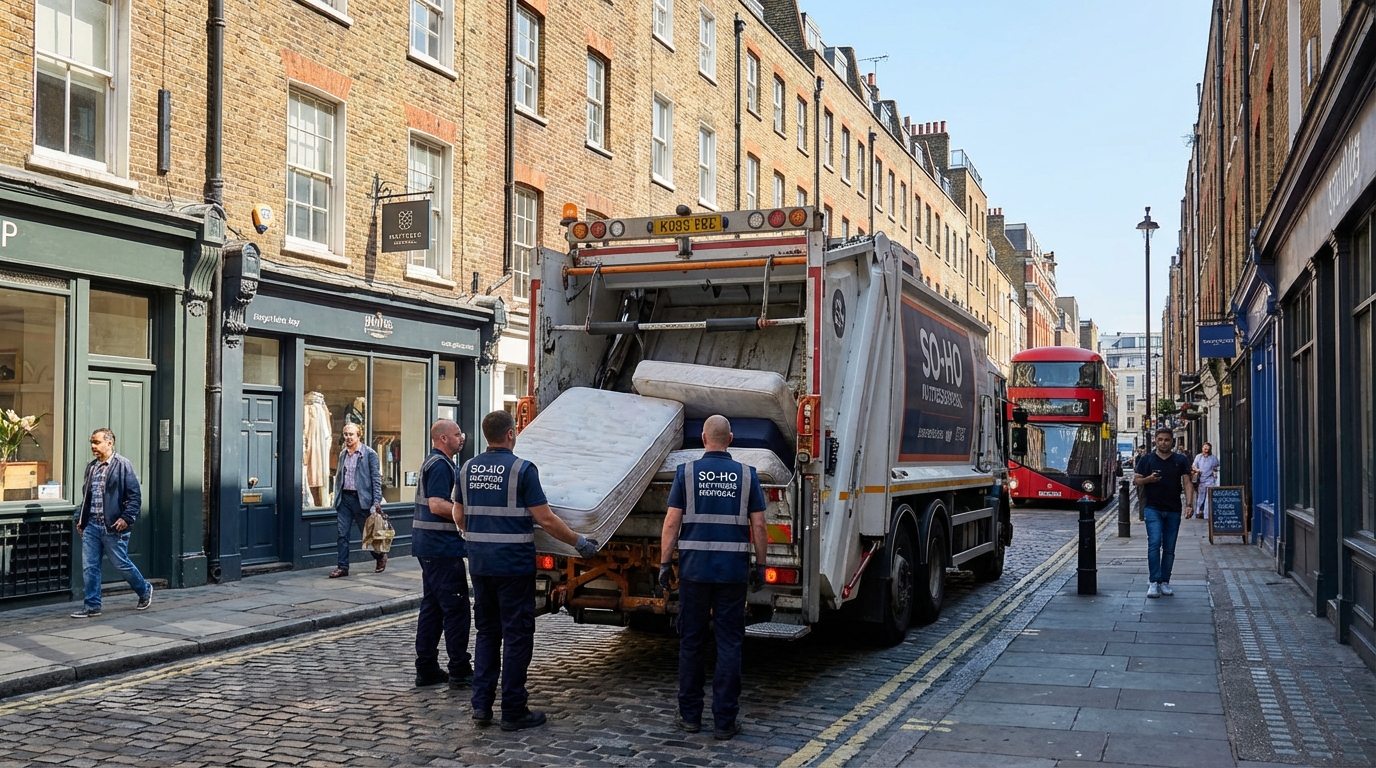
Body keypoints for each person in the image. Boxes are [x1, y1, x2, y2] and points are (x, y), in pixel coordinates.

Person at [454, 410, 599, 731]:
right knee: (517, 635)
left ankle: (481, 706)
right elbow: (546, 519)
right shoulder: (522, 470)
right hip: (513, 567)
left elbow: (458, 515)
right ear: (510, 434)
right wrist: (580, 542)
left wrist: (475, 537)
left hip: (480, 565)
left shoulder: (466, 469)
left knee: (488, 633)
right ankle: (513, 710)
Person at [658, 415, 768, 741]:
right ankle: (725, 721)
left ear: (704, 438)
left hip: (693, 572)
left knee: (691, 643)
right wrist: (761, 566)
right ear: (730, 438)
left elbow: (671, 524)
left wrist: (665, 564)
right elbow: (759, 526)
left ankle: (690, 716)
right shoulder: (747, 476)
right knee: (729, 644)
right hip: (732, 573)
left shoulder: (686, 474)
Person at [412, 419, 473, 689]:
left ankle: (426, 668)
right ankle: (459, 670)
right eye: (457, 434)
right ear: (443, 439)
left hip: (430, 546)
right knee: (456, 609)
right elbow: (436, 504)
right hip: (441, 547)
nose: (462, 437)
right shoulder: (439, 465)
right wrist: (465, 517)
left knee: (433, 608)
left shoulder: (437, 462)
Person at [72, 428, 152, 617]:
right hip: (91, 525)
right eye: (91, 442)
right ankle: (92, 606)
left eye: (97, 442)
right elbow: (87, 497)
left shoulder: (123, 465)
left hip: (113, 526)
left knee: (120, 563)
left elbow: (135, 497)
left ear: (110, 443)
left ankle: (144, 590)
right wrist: (80, 518)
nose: (93, 446)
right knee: (90, 566)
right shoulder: (91, 467)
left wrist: (126, 518)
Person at [1133, 428, 1195, 598]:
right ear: (1155, 440)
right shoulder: (1147, 459)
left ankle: (1165, 582)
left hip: (1174, 509)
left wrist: (1189, 505)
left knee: (1169, 548)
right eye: (1160, 439)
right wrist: (1149, 479)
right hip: (1153, 508)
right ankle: (1154, 582)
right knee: (1154, 544)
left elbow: (1187, 483)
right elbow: (1136, 480)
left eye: (1167, 440)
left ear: (1172, 441)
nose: (1163, 443)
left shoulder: (1180, 460)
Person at [329, 423, 384, 578]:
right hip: (345, 499)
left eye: (351, 434)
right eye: (345, 434)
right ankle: (342, 567)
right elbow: (339, 476)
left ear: (358, 435)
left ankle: (379, 556)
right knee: (342, 534)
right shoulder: (342, 454)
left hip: (361, 500)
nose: (347, 437)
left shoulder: (369, 454)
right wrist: (337, 496)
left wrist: (376, 501)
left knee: (367, 535)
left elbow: (375, 479)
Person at [1191, 442, 1220, 521]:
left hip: (1210, 480)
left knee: (1208, 498)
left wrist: (1215, 471)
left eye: (1207, 447)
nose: (1206, 449)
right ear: (1202, 448)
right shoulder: (1198, 457)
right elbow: (1193, 466)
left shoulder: (1213, 458)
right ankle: (1198, 512)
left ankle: (1207, 514)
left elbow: (1217, 466)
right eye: (1204, 447)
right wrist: (1197, 470)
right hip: (1201, 480)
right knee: (1201, 497)